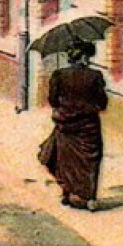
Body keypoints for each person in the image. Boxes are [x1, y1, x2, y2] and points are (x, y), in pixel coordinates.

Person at [39, 42, 110, 210]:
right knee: (89, 160)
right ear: (84, 57)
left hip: (66, 123)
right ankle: (89, 197)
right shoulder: (95, 76)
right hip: (88, 125)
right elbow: (102, 102)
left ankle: (68, 192)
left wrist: (66, 107)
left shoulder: (59, 75)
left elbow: (52, 100)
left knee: (66, 160)